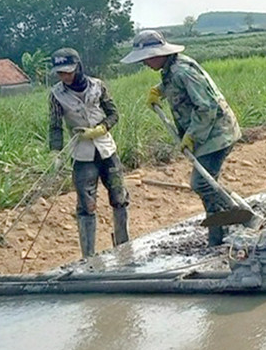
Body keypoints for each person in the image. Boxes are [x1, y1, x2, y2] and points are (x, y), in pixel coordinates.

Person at [121, 30, 241, 247]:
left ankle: (242, 217)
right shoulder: (172, 70)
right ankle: (218, 236)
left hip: (216, 134)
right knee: (209, 186)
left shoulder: (181, 71)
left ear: (157, 54)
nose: (145, 64)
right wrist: (159, 90)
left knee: (202, 185)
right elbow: (178, 87)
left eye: (146, 59)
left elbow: (207, 106)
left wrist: (191, 136)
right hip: (209, 134)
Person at [48, 48, 129, 258]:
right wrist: (55, 152)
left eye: (68, 72)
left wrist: (101, 128)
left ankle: (123, 245)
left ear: (78, 67)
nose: (64, 77)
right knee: (86, 205)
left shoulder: (97, 86)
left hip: (106, 149)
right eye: (60, 73)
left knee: (119, 197)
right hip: (82, 155)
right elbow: (55, 126)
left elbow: (113, 113)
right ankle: (89, 255)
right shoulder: (57, 95)